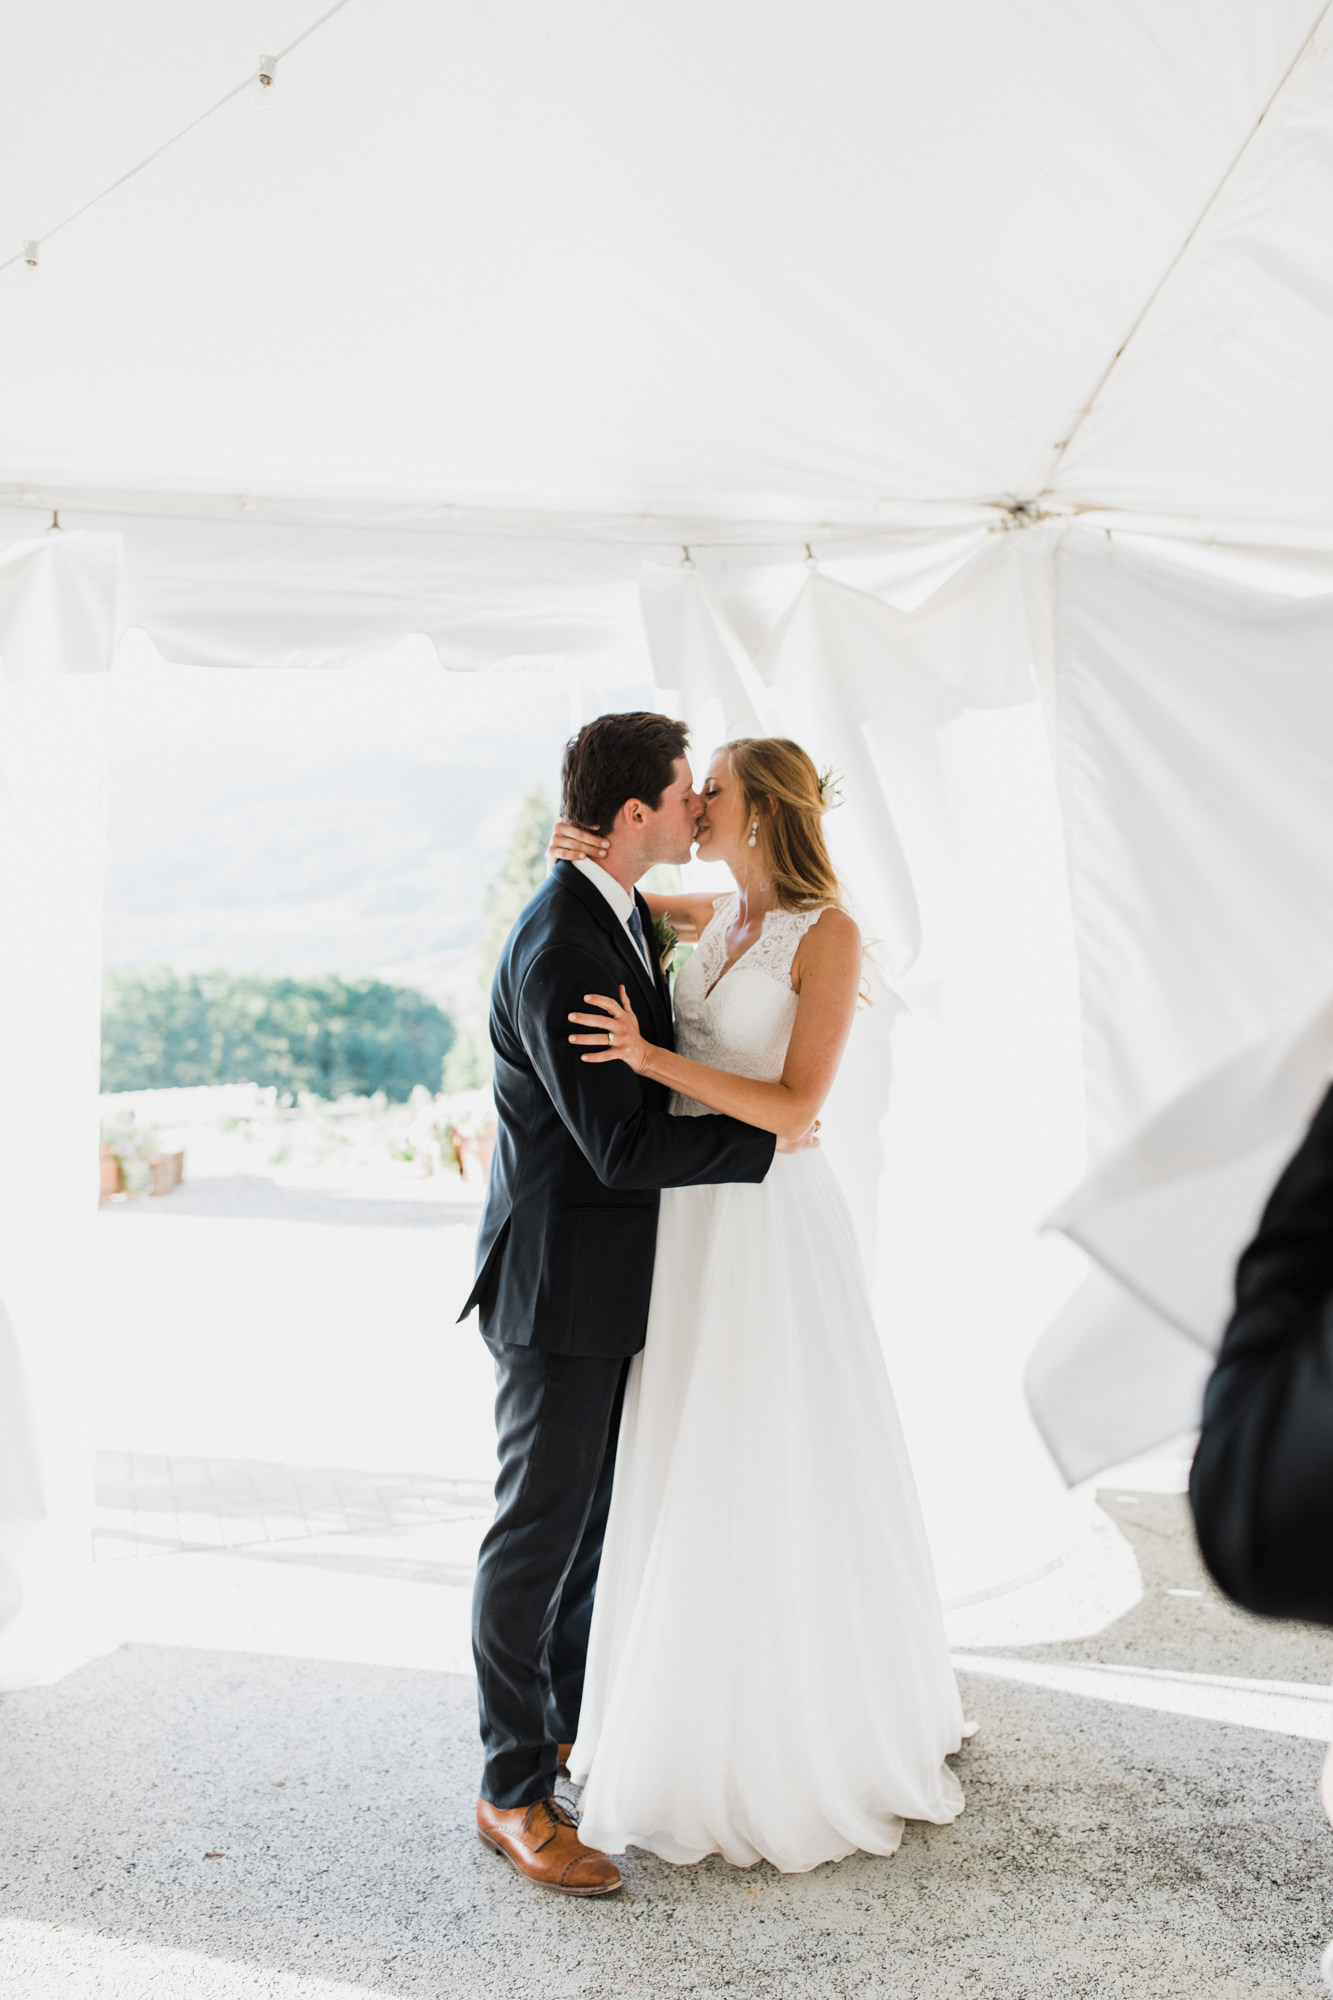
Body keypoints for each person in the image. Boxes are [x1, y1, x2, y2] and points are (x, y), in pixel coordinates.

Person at [551, 734, 967, 1873]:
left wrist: (646, 1058)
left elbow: (794, 1103)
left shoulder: (825, 933)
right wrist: (584, 846)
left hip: (770, 1218)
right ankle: (677, 1706)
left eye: (712, 790)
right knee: (686, 1448)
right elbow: (624, 883)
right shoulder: (712, 914)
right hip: (689, 1220)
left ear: (759, 807)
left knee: (769, 1449)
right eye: (688, 792)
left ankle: (792, 1725)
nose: (694, 802)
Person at [461, 712, 805, 1896]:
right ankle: (510, 1790)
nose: (696, 809)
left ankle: (558, 1738)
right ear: (634, 818)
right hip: (558, 1287)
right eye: (681, 793)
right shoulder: (564, 944)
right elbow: (612, 1144)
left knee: (588, 1531)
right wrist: (771, 1148)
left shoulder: (607, 904)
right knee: (536, 1539)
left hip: (609, 1282)